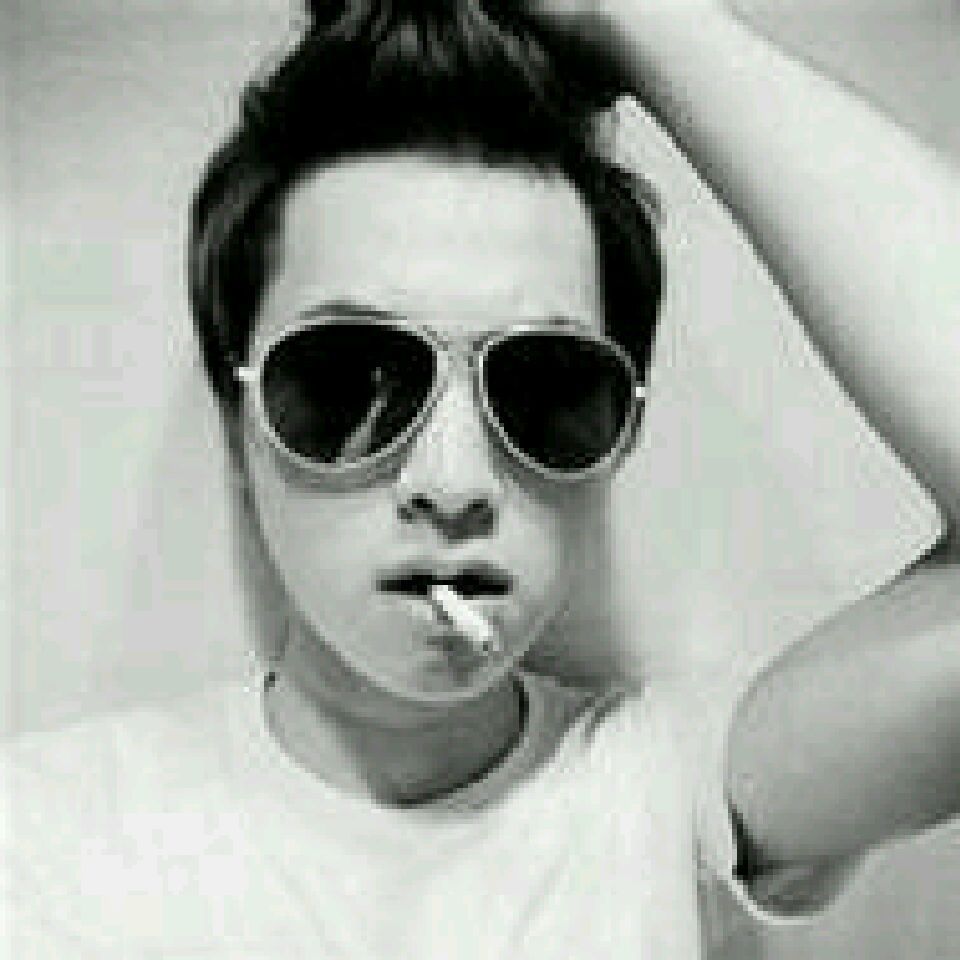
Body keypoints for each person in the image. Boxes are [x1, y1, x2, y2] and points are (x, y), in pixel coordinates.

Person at [3, 1, 959, 957]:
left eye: (547, 388)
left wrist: (639, 18)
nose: (454, 483)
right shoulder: (44, 841)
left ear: (622, 432)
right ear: (236, 420)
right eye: (347, 381)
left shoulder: (669, 797)